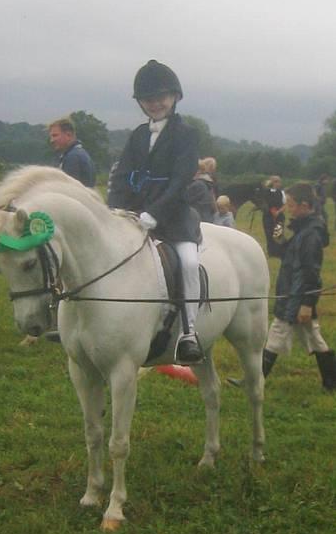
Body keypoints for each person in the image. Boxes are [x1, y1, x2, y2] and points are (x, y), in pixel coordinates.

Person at [108, 59, 202, 364]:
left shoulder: (186, 134)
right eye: (149, 99)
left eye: (161, 97)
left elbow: (181, 180)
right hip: (135, 216)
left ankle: (189, 333)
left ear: (175, 97)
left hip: (173, 217)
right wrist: (115, 210)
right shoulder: (137, 135)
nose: (156, 103)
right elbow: (122, 175)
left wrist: (155, 212)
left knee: (187, 262)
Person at [231, 182, 336, 391]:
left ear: (305, 205)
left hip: (296, 297)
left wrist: (307, 304)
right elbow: (280, 251)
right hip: (293, 294)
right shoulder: (303, 231)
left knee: (275, 336)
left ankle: (254, 381)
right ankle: (332, 382)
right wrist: (276, 230)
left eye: (291, 204)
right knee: (315, 339)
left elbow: (311, 273)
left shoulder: (311, 235)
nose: (287, 208)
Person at [48, 117, 95, 187]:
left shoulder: (73, 157)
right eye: (51, 137)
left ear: (68, 135)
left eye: (55, 135)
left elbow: (69, 189)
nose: (51, 140)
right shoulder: (81, 153)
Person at [262, 175, 286, 257]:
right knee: (268, 234)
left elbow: (284, 205)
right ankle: (271, 252)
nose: (278, 183)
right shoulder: (265, 192)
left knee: (278, 234)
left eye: (279, 181)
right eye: (276, 181)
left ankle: (279, 252)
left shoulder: (282, 192)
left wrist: (278, 212)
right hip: (267, 217)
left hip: (279, 217)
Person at [188, 157, 218, 223]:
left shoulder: (197, 185)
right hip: (207, 219)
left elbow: (183, 201)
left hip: (198, 221)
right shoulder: (207, 183)